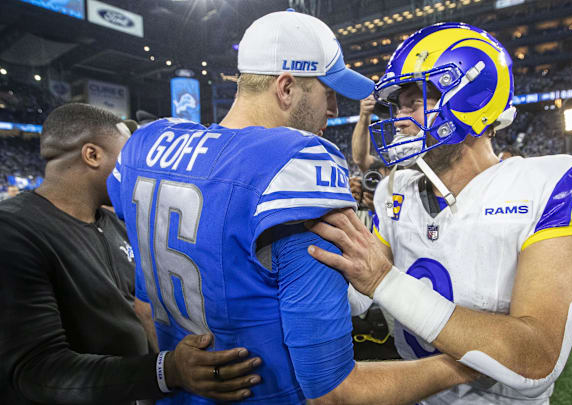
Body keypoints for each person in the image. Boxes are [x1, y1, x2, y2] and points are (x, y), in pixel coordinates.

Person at [108, 10, 477, 405]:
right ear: (286, 88)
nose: (333, 109)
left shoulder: (148, 144)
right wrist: (467, 362)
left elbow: (144, 304)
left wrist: (174, 367)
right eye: (327, 92)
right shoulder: (295, 162)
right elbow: (334, 393)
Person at [306, 22, 572, 404]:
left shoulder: (548, 185)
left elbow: (536, 359)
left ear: (472, 98)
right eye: (399, 104)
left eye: (414, 100)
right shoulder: (394, 189)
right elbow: (356, 297)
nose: (400, 118)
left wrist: (385, 281)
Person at [0, 103, 261, 404]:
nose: (136, 170)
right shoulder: (13, 231)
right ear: (92, 155)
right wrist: (167, 371)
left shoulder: (114, 223)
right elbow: (35, 372)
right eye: (127, 158)